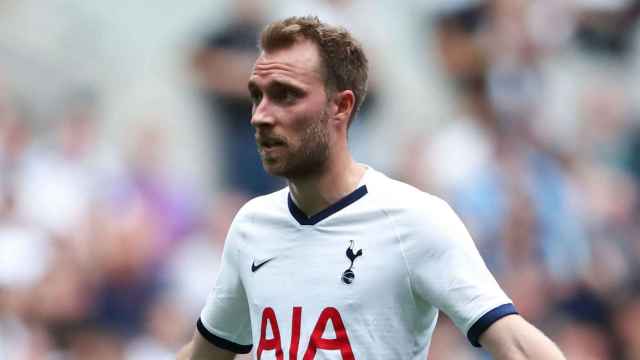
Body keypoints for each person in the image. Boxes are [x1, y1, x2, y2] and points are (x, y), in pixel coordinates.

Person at [178, 16, 565, 360]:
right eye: (257, 95)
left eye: (286, 95)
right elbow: (203, 353)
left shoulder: (414, 219)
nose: (261, 115)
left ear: (340, 107)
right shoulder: (252, 226)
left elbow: (516, 345)